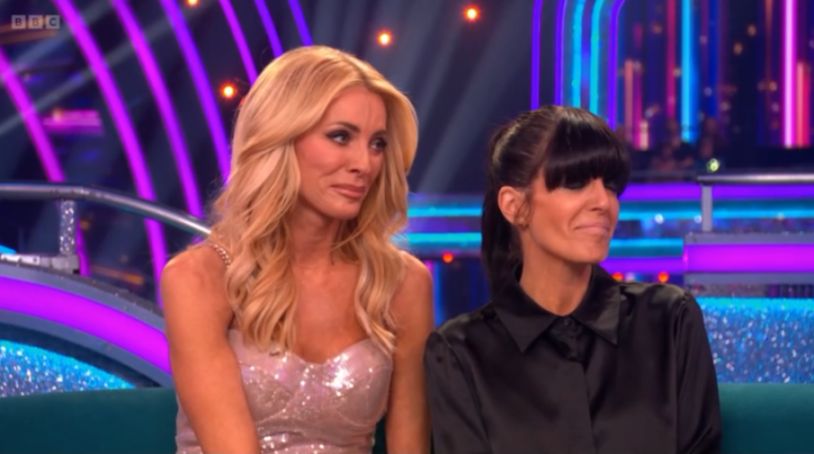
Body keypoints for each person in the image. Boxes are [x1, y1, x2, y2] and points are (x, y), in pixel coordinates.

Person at [161, 45, 434, 454]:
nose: (365, 163)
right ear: (279, 138)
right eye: (340, 136)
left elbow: (409, 446)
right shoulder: (199, 278)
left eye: (377, 143)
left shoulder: (403, 283)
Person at [424, 105, 722, 454]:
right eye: (576, 182)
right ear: (514, 206)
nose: (603, 202)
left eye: (610, 185)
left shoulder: (669, 318)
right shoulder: (460, 352)